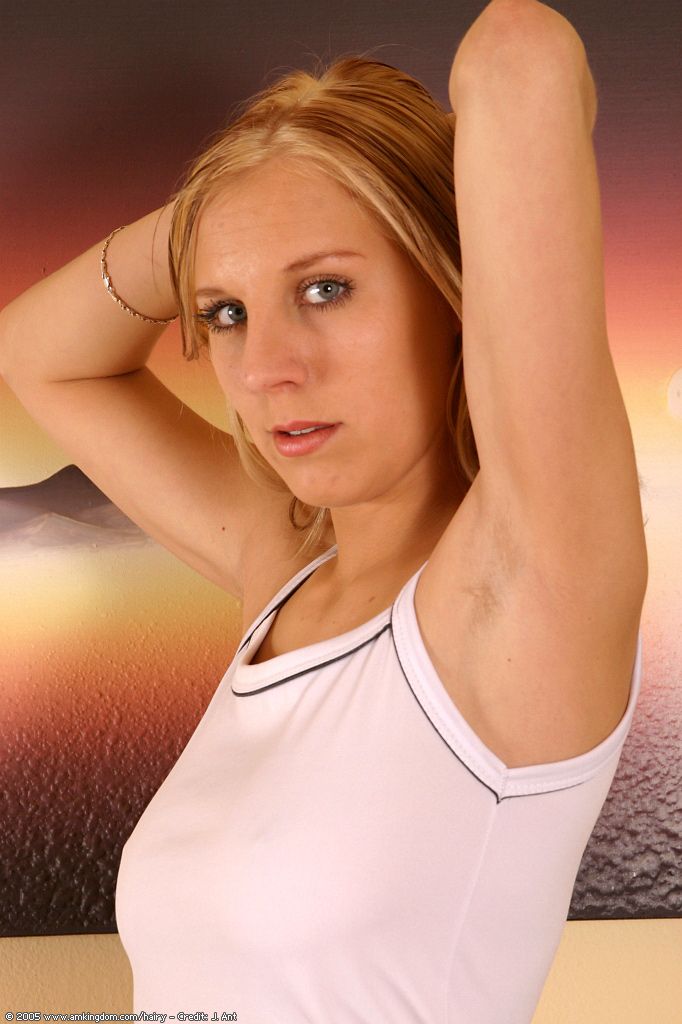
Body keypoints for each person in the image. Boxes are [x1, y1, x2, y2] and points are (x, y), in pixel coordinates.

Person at [0, 0, 647, 1020]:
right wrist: (237, 197)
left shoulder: (521, 593)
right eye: (226, 313)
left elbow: (519, 57)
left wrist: (360, 171)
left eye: (327, 290)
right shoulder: (288, 569)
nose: (266, 368)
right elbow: (38, 356)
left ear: (454, 290)